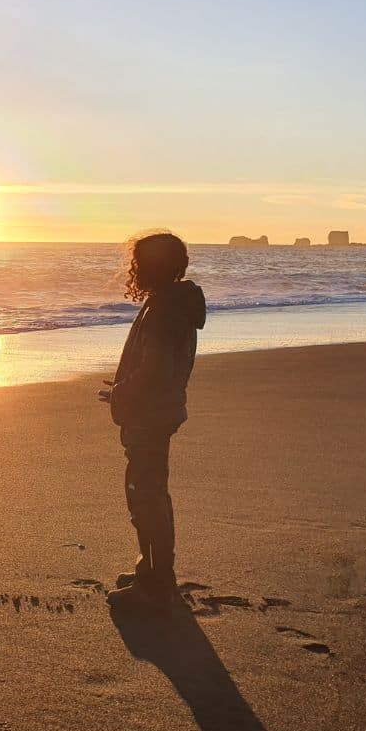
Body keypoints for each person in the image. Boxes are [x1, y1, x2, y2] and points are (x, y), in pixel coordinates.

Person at [98, 231, 206, 610]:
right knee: (150, 492)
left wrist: (122, 392)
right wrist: (124, 387)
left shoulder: (165, 310)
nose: (134, 270)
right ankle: (153, 572)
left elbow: (155, 371)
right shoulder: (170, 303)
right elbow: (157, 368)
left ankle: (158, 584)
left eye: (139, 263)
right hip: (158, 410)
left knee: (145, 496)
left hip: (151, 415)